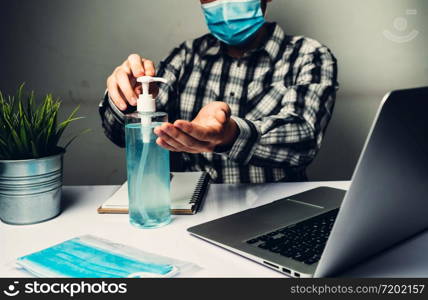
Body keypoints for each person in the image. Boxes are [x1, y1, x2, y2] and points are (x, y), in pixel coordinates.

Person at [99, 0, 338, 184]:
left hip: (279, 211)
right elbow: (120, 135)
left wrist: (231, 135)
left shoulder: (308, 56)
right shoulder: (186, 56)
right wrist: (128, 98)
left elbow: (304, 139)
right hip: (193, 210)